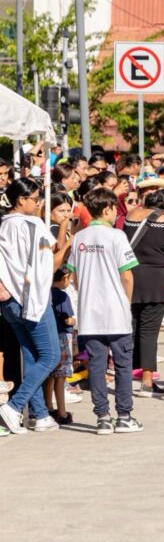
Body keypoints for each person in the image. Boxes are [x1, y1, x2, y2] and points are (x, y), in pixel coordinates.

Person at [66, 187, 143, 435]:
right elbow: (127, 275)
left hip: (89, 314)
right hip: (116, 312)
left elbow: (74, 276)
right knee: (122, 365)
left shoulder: (79, 238)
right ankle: (124, 415)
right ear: (108, 209)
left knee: (97, 366)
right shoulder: (117, 236)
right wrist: (126, 302)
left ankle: (102, 417)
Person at [0, 179, 63, 435]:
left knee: (32, 355)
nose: (39, 204)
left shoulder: (3, 224)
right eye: (36, 198)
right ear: (21, 200)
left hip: (9, 300)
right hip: (31, 298)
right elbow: (48, 261)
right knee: (51, 356)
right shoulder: (33, 224)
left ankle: (39, 414)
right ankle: (15, 406)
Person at [124, 189, 164, 398]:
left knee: (130, 329)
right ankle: (147, 382)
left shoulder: (131, 216)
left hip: (129, 279)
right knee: (149, 332)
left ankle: (124, 377)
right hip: (155, 282)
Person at [44, 269, 76, 425]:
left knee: (49, 375)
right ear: (64, 278)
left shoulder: (46, 293)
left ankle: (48, 407)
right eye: (69, 279)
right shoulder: (62, 296)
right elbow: (67, 320)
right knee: (60, 376)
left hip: (47, 337)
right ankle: (62, 412)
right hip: (62, 338)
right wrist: (74, 321)